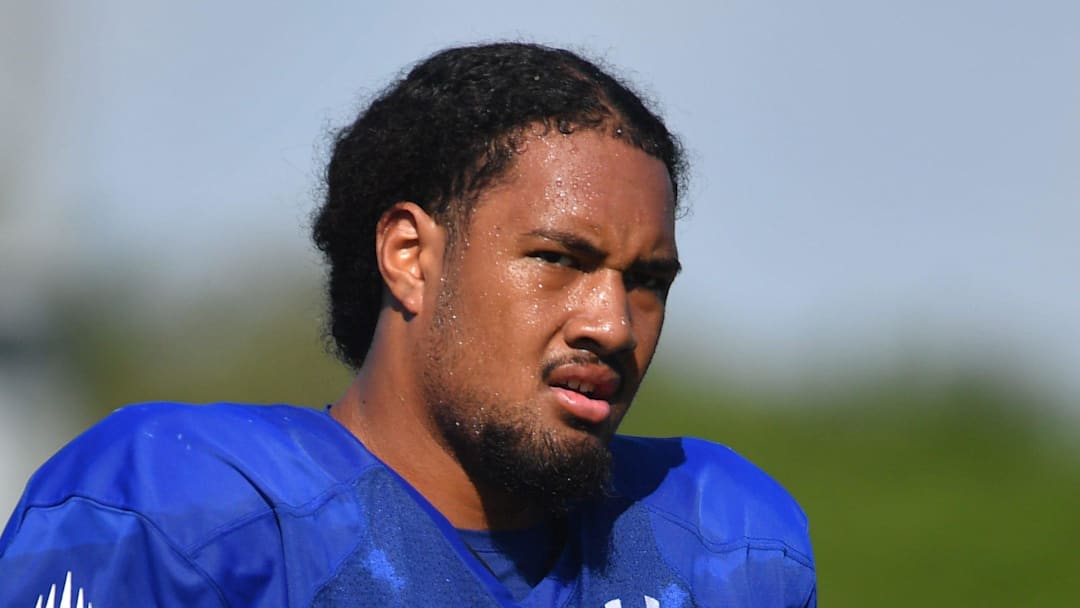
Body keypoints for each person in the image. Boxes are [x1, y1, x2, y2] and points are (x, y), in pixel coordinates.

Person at [0, 42, 816, 607]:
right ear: (409, 256)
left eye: (646, 281)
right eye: (559, 258)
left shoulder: (723, 545)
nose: (612, 323)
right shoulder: (185, 513)